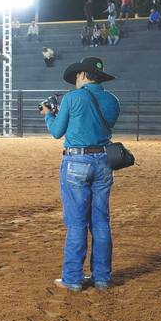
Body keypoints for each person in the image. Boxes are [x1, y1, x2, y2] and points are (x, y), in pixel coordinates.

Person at [40, 56, 121, 292]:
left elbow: (57, 132)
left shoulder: (72, 98)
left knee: (76, 223)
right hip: (104, 161)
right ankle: (102, 277)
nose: (76, 80)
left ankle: (73, 278)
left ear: (83, 75)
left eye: (77, 76)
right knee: (101, 222)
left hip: (76, 161)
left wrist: (48, 114)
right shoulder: (112, 100)